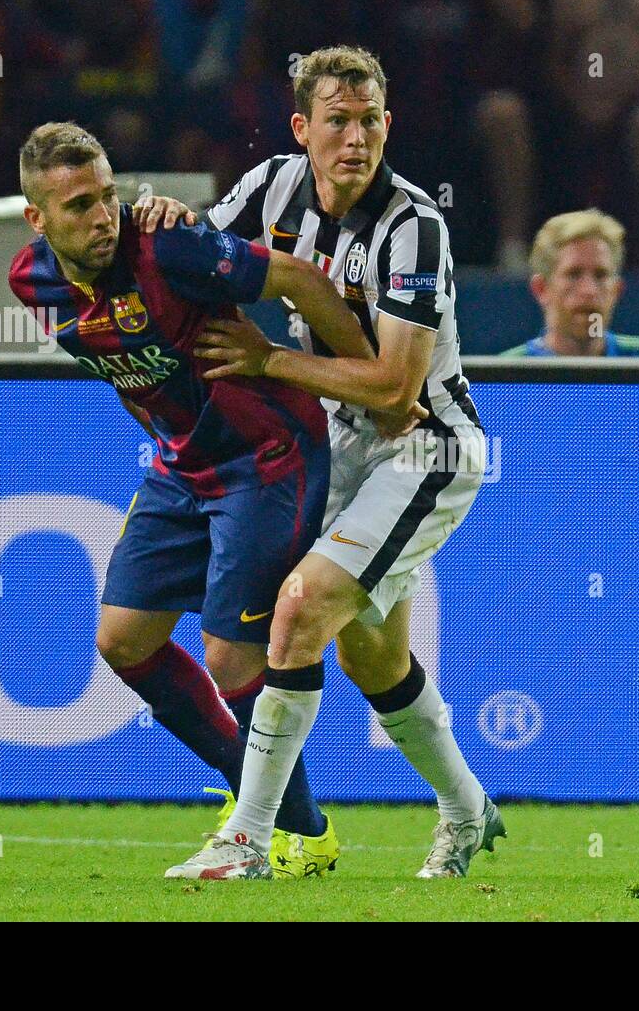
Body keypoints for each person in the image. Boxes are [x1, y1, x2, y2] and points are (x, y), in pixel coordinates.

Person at [140, 45, 503, 880]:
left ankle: (250, 840)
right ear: (302, 129)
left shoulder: (415, 225)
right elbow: (198, 264)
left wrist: (269, 361)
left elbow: (395, 385)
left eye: (370, 118)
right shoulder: (272, 187)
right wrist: (157, 220)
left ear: (387, 124)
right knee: (371, 656)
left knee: (298, 610)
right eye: (336, 120)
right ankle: (467, 809)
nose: (355, 137)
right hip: (336, 445)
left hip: (424, 447)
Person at [7, 121, 389, 879]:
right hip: (185, 467)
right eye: (79, 205)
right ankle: (259, 798)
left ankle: (300, 835)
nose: (102, 216)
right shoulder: (33, 282)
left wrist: (371, 380)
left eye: (109, 195)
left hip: (267, 455)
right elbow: (121, 368)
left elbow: (302, 282)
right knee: (123, 639)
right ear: (37, 219)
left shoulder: (171, 247)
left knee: (229, 650)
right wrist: (164, 443)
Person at [501, 210, 639, 358]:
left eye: (600, 275)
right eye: (573, 274)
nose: (589, 290)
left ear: (616, 290)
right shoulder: (506, 376)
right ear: (541, 289)